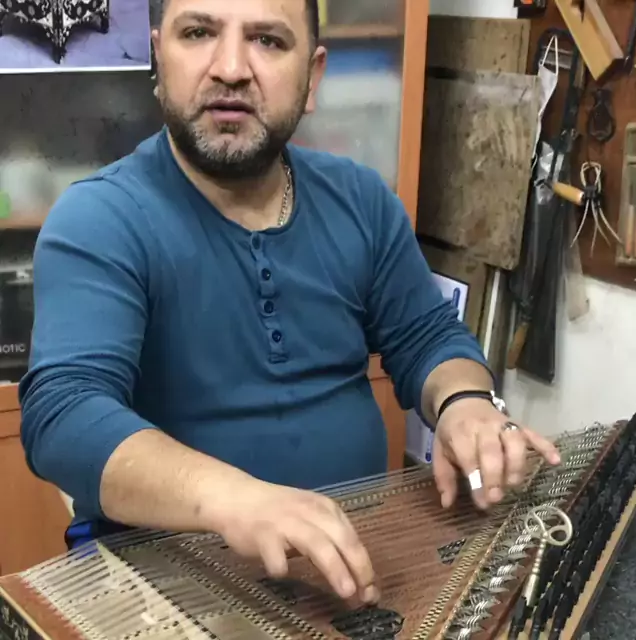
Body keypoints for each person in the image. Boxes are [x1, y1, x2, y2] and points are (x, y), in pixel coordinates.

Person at [19, 0, 561, 607]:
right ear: (158, 59)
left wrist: (465, 402)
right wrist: (235, 499)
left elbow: (428, 337)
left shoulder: (361, 199)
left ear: (313, 76)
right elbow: (65, 415)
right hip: (162, 593)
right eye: (197, 33)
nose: (230, 67)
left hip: (352, 570)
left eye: (268, 41)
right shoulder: (100, 218)